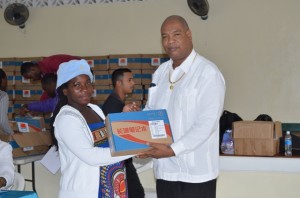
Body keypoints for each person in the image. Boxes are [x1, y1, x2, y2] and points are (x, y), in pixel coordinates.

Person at [139, 15, 226, 198]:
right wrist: (140, 141)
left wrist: (172, 150)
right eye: (165, 36)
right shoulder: (161, 73)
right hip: (165, 172)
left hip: (196, 174)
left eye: (176, 34)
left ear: (189, 34)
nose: (170, 41)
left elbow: (206, 124)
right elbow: (151, 112)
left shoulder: (207, 73)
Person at [50, 59, 132, 198]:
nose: (85, 89)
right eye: (77, 85)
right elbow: (92, 156)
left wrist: (129, 121)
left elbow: (112, 139)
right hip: (86, 191)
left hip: (111, 185)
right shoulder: (66, 119)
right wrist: (135, 149)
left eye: (88, 83)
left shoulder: (94, 109)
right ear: (65, 90)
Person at [102, 68, 144, 198]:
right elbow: (112, 135)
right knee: (137, 194)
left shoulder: (120, 103)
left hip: (124, 161)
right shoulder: (112, 104)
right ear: (118, 83)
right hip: (118, 164)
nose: (133, 83)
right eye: (129, 80)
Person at [0, 69, 13, 134]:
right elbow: (2, 121)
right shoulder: (3, 95)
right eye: (6, 79)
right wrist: (11, 133)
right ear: (2, 79)